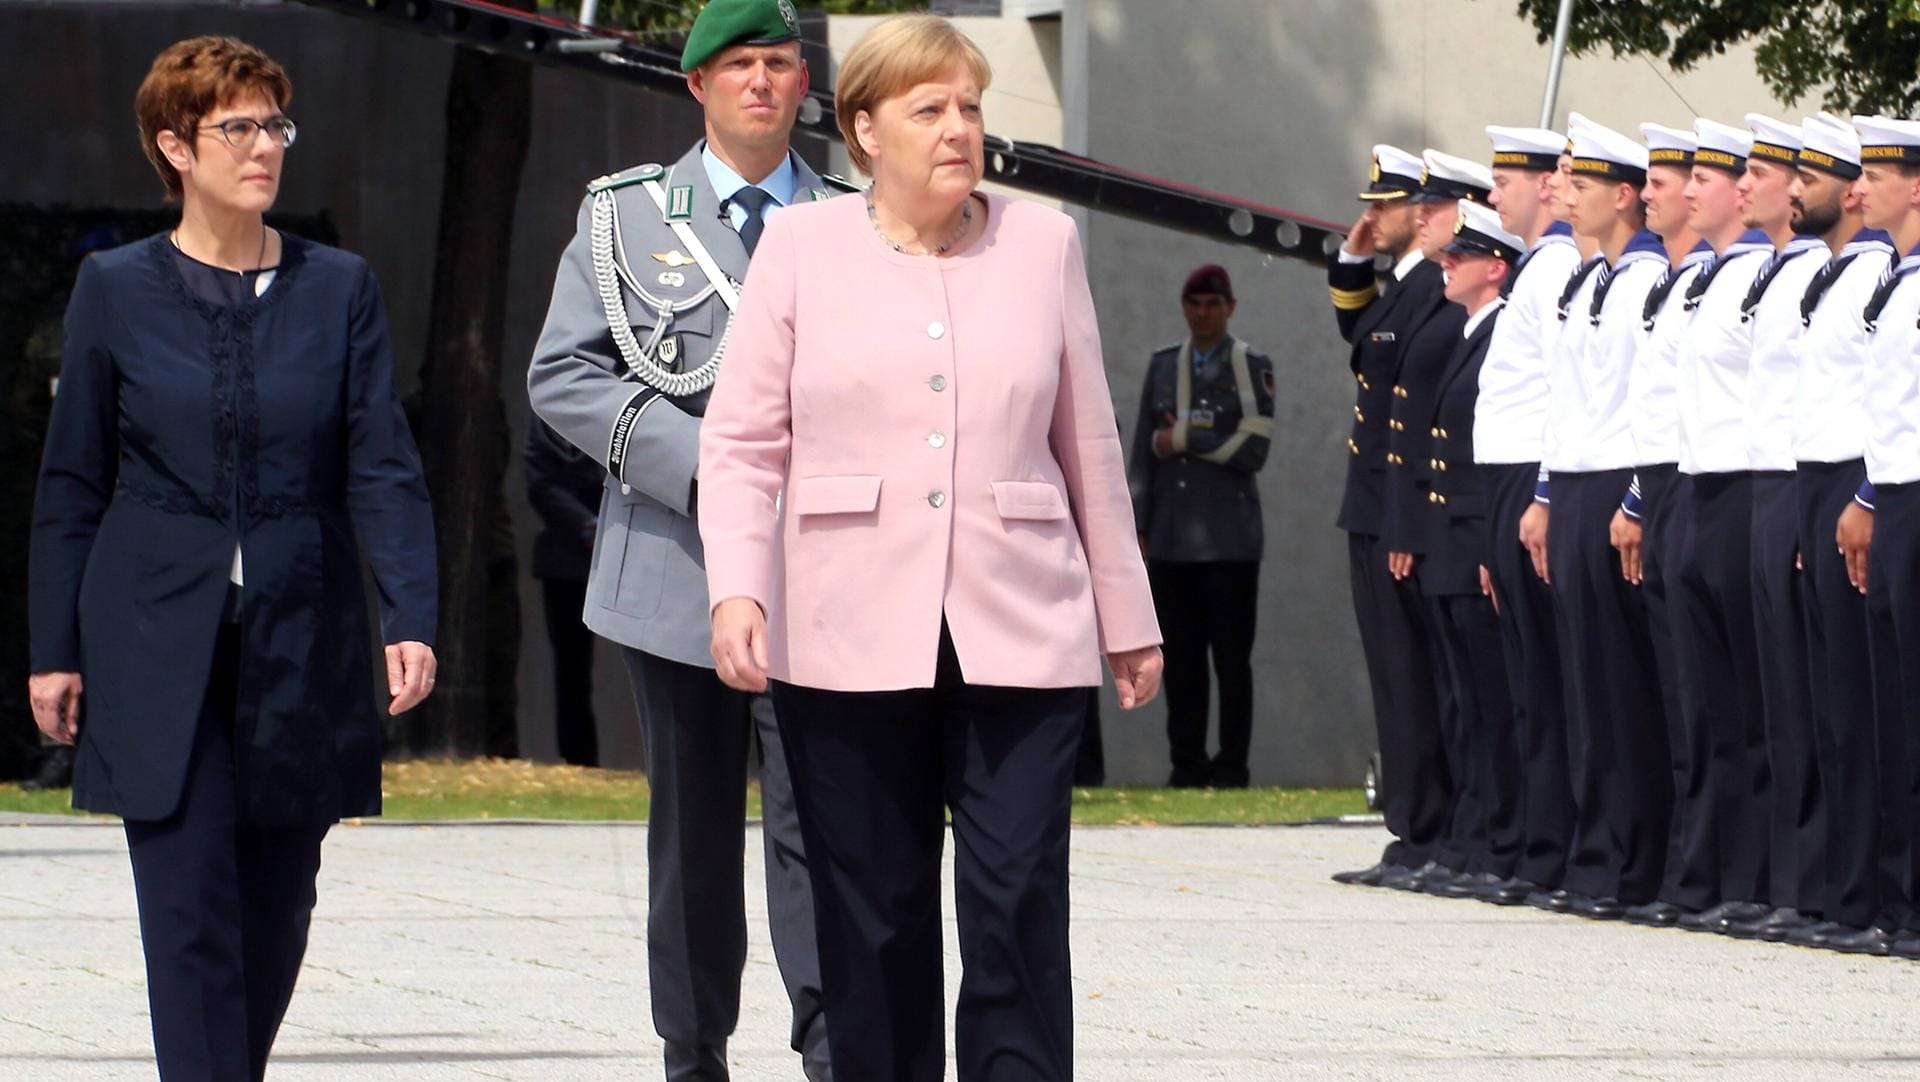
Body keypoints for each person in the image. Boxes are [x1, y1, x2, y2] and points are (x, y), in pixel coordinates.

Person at [695, 15, 1163, 1080]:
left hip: (1024, 629)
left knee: (1017, 907)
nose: (961, 130)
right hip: (844, 628)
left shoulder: (1043, 242)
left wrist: (1127, 617)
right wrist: (736, 589)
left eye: (971, 107)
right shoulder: (801, 247)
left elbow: (1087, 439)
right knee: (874, 916)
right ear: (864, 131)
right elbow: (741, 439)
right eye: (930, 110)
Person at [25, 36, 437, 1081]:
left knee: (277, 902)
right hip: (156, 637)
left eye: (275, 126)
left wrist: (411, 613)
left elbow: (382, 461)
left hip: (306, 633)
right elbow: (73, 482)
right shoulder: (114, 288)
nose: (265, 147)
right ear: (176, 146)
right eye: (238, 128)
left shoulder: (338, 286)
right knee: (189, 901)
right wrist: (53, 644)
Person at [525, 0, 836, 1076]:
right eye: (736, 63)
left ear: (805, 83)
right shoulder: (624, 218)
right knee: (693, 834)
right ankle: (693, 1046)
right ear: (694, 84)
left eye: (779, 62)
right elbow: (562, 373)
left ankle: (833, 1043)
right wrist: (708, 466)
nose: (761, 80)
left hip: (830, 574)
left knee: (829, 827)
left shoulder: (851, 214)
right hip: (678, 565)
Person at [1534, 115, 1672, 919]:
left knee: (1624, 684)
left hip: (1620, 485)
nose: (1569, 198)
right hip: (1579, 485)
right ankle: (1597, 858)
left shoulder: (1645, 281)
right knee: (1586, 683)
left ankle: (1636, 860)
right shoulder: (1594, 279)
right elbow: (1567, 401)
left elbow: (1642, 403)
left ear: (1623, 196)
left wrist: (1634, 501)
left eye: (1581, 186)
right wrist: (1548, 494)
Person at [1774, 114, 1894, 946]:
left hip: (1861, 486)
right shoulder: (1835, 276)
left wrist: (1862, 495)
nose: (1791, 190)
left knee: (1864, 706)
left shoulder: (1880, 275)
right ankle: (1843, 891)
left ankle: (1874, 895)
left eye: (1808, 180)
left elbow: (1879, 409)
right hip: (1817, 488)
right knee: (1828, 705)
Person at [1325, 144, 1453, 889]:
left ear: (1423, 211)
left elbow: (1383, 362)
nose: (1371, 217)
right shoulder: (1403, 286)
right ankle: (1411, 826)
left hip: (1401, 505)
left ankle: (1427, 827)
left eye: (1385, 206)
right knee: (1392, 673)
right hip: (1374, 503)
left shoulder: (1435, 285)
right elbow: (1358, 333)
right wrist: (1352, 252)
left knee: (1414, 676)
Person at [1666, 118, 1777, 935]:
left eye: (1714, 176)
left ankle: (1760, 874)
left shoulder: (1763, 277)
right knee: (1707, 702)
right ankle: (1715, 871)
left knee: (1753, 700)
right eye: (1695, 175)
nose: (1703, 188)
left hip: (1749, 488)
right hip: (1696, 489)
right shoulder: (1704, 278)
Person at [1473, 124, 1582, 906]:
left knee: (1547, 680)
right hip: (1506, 481)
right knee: (1525, 679)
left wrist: (1541, 494)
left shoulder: (1557, 267)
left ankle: (1555, 849)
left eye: (1505, 178)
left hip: (1532, 479)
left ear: (1546, 184)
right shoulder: (1537, 268)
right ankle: (1538, 847)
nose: (1491, 194)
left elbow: (1561, 393)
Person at [1617, 122, 1716, 929]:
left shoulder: (1714, 277)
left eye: (1662, 181)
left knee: (1712, 699)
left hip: (1702, 487)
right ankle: (1688, 869)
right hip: (1661, 487)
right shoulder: (1678, 281)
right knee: (1679, 696)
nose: (1649, 194)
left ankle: (1712, 872)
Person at [1829, 114, 1920, 958]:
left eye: (1878, 175)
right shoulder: (1898, 278)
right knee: (1897, 709)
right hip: (1894, 501)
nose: (1861, 189)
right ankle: (1903, 902)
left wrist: (1866, 494)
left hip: (1909, 497)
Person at [1128, 263, 1274, 789]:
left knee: (1232, 664)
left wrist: (1189, 438)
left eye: (1213, 304)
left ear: (1229, 307)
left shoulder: (1249, 364)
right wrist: (1137, 522)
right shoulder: (1165, 365)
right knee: (1182, 664)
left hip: (1230, 541)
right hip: (1172, 538)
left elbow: (1255, 446)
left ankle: (1232, 767)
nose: (1203, 313)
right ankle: (1186, 766)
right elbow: (1143, 450)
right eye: (1195, 303)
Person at [1420, 199, 1519, 901]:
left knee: (1492, 698)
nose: (1446, 264)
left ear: (1496, 267)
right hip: (1449, 535)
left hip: (1476, 531)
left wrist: (1487, 540)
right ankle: (1473, 833)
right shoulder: (1469, 334)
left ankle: (1499, 838)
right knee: (1464, 699)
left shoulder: (1501, 335)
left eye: (1462, 256)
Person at [523, 418, 604, 767]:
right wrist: (588, 527)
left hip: (625, 545)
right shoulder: (544, 411)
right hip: (567, 556)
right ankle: (578, 759)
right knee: (571, 669)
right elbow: (539, 484)